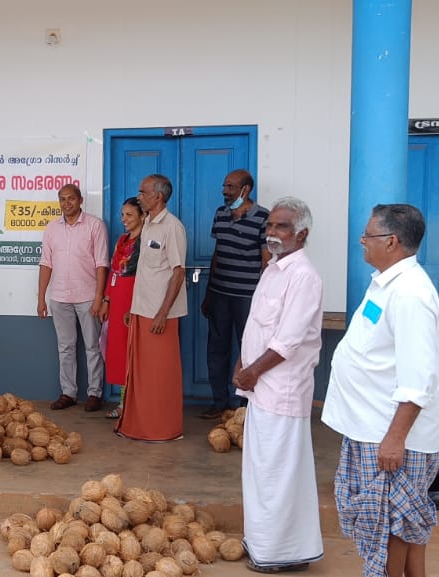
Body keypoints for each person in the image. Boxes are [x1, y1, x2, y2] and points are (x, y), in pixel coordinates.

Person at [322, 203, 439, 577]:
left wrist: (395, 438)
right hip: (371, 427)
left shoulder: (410, 294)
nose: (361, 241)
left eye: (368, 235)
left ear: (391, 241)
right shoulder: (387, 283)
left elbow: (418, 377)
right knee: (404, 524)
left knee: (393, 526)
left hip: (392, 436)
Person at [233, 197, 324, 573]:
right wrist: (243, 361)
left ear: (301, 233)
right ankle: (266, 543)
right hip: (261, 388)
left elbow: (287, 341)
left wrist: (252, 370)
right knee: (263, 470)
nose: (271, 233)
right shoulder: (273, 268)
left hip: (282, 388)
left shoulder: (304, 276)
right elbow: (259, 324)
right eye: (270, 225)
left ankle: (276, 554)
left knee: (276, 474)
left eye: (281, 227)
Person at [115, 174, 187, 442]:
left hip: (161, 316)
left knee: (160, 376)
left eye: (143, 192)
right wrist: (133, 307)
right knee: (141, 375)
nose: (139, 196)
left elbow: (178, 273)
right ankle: (139, 427)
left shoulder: (173, 227)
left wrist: (162, 313)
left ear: (158, 196)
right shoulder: (147, 227)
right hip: (141, 311)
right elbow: (146, 271)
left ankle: (163, 430)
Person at [202, 169, 269, 420]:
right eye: (224, 186)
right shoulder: (220, 214)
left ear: (245, 189)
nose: (224, 191)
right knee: (216, 348)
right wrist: (209, 293)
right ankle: (219, 402)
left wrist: (262, 301)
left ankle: (245, 408)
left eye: (230, 186)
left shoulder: (263, 217)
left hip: (247, 297)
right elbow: (217, 253)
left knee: (248, 350)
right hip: (219, 294)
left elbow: (266, 261)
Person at [38, 184, 109, 412]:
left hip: (88, 296)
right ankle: (68, 393)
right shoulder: (52, 229)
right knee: (65, 347)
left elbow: (101, 264)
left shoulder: (95, 226)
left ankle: (94, 393)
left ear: (80, 200)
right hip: (59, 297)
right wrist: (41, 298)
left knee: (92, 347)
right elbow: (46, 264)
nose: (66, 203)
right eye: (62, 199)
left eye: (71, 198)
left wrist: (99, 298)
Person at [101, 197, 144, 419]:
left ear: (142, 216)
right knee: (118, 352)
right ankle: (122, 402)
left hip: (133, 301)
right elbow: (113, 272)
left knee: (134, 354)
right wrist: (106, 300)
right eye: (122, 214)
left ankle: (134, 405)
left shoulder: (145, 242)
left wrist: (136, 304)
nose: (123, 219)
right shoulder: (122, 240)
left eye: (129, 215)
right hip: (117, 301)